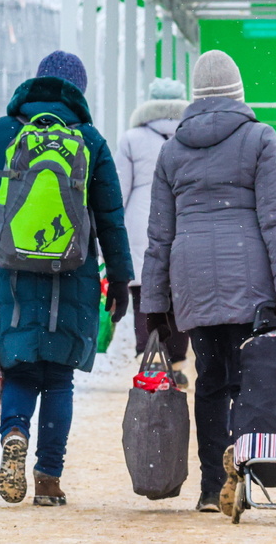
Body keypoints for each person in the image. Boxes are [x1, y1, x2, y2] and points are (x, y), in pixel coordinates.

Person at [0, 50, 133, 507]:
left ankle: (15, 432)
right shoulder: (89, 140)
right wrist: (120, 278)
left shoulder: (2, 134)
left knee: (18, 363)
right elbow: (110, 219)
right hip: (70, 271)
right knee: (57, 376)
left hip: (9, 270)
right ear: (79, 91)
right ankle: (49, 477)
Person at [141, 50, 276, 514]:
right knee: (248, 378)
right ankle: (244, 464)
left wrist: (154, 303)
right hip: (248, 272)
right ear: (238, 91)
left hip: (192, 274)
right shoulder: (259, 138)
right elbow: (275, 218)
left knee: (210, 378)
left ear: (196, 95)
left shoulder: (172, 149)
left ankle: (213, 486)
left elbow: (159, 234)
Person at [116, 77, 191, 384]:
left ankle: (149, 363)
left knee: (145, 295)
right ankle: (177, 366)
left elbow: (120, 189)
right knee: (179, 296)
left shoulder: (131, 138)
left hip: (141, 222)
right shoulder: (192, 135)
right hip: (182, 218)